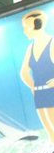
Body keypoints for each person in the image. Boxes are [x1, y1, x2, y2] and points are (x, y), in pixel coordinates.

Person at [21, 9, 54, 142]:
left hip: (51, 91)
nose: (25, 31)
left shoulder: (52, 43)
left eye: (27, 27)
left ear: (37, 24)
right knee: (50, 132)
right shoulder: (30, 48)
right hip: (40, 93)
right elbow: (23, 72)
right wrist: (33, 86)